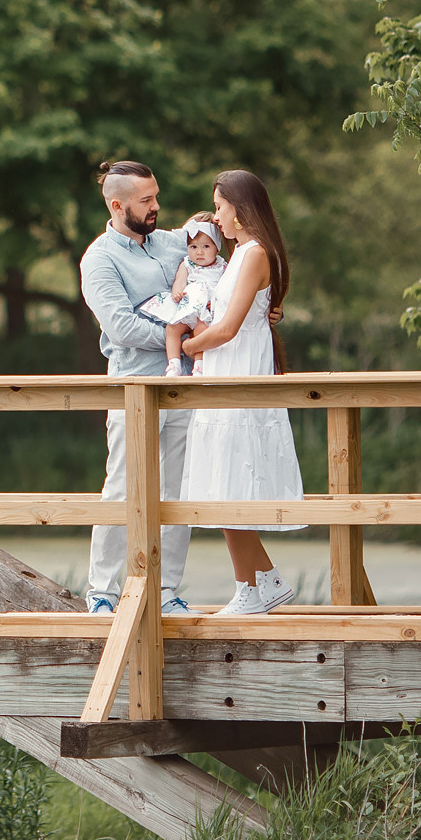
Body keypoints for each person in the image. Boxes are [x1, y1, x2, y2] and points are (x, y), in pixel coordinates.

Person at [173, 169, 304, 614]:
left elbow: (227, 329)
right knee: (224, 480)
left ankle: (259, 583)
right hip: (225, 371)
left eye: (220, 206)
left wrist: (188, 347)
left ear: (240, 208)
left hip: (238, 368)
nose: (216, 215)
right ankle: (255, 583)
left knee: (232, 480)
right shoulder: (241, 254)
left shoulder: (253, 255)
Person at [77, 159, 194, 616]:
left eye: (156, 197)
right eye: (146, 201)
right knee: (122, 486)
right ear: (117, 204)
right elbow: (122, 326)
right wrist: (185, 339)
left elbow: (222, 267)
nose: (156, 207)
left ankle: (167, 592)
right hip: (132, 385)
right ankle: (102, 593)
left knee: (178, 489)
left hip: (183, 386)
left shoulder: (173, 243)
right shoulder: (99, 258)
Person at [159, 216, 226, 378]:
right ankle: (174, 364)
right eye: (193, 247)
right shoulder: (187, 264)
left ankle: (199, 365)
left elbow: (227, 288)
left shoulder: (222, 266)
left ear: (216, 248)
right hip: (188, 306)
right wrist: (177, 291)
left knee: (202, 331)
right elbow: (180, 280)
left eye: (206, 246)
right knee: (172, 328)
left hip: (206, 309)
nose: (199, 252)